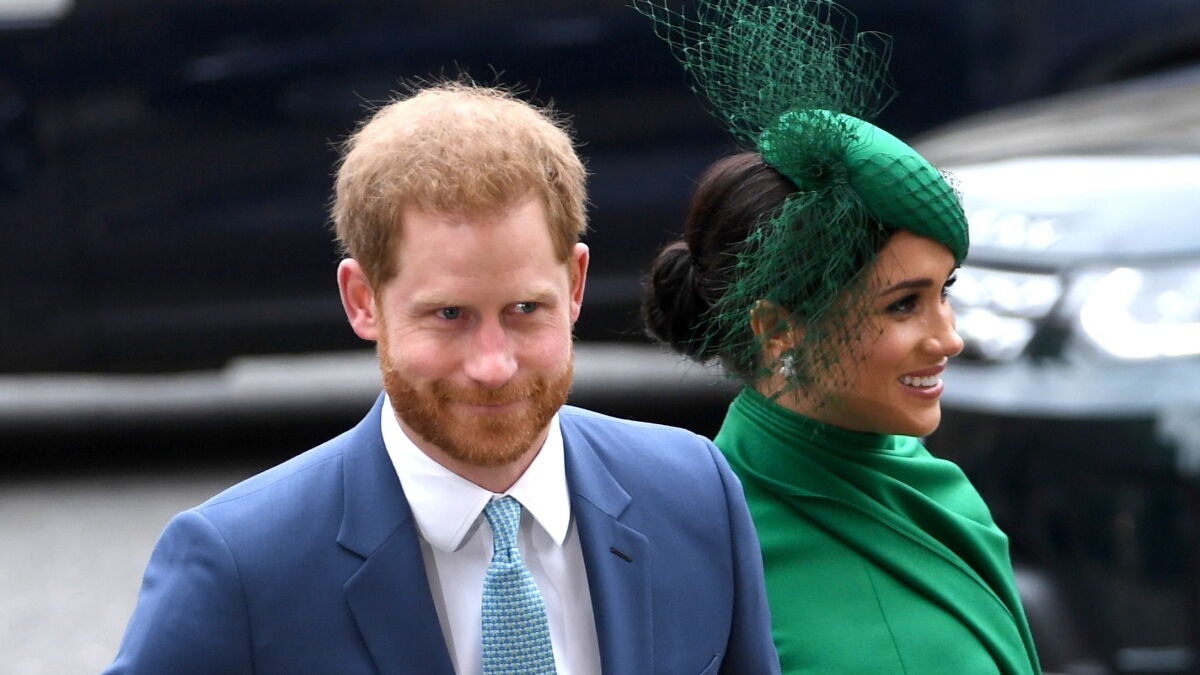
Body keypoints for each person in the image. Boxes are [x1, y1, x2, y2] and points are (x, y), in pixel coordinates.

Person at [105, 82, 779, 674]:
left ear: (575, 285)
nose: (493, 364)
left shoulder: (694, 496)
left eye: (525, 309)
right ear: (363, 300)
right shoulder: (240, 567)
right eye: (449, 315)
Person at [635, 0, 1041, 673]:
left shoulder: (906, 467)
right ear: (776, 328)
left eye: (944, 291)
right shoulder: (739, 563)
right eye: (903, 305)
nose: (949, 338)